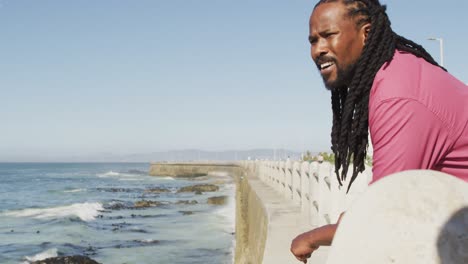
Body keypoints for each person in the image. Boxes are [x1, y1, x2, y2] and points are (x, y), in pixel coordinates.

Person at [290, 0, 468, 262]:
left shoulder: (397, 95)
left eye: (329, 35)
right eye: (313, 40)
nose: (318, 50)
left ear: (367, 33)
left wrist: (312, 237)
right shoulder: (397, 69)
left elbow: (383, 213)